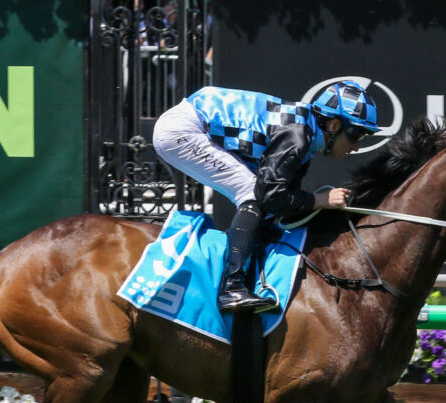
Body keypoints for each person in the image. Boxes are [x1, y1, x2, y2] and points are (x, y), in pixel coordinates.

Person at [153, 80, 379, 312]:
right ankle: (231, 289)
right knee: (252, 193)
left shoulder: (305, 137)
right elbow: (271, 196)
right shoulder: (296, 135)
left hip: (194, 122)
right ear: (333, 125)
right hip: (183, 130)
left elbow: (283, 205)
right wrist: (321, 200)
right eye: (356, 134)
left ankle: (247, 274)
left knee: (263, 202)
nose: (357, 146)